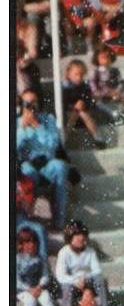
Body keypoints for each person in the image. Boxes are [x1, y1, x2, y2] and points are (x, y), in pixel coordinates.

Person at [16, 90, 71, 231]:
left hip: (47, 163)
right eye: (27, 102)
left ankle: (59, 221)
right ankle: (28, 220)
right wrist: (22, 129)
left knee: (60, 166)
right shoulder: (16, 122)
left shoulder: (48, 119)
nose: (30, 105)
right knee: (26, 171)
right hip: (27, 164)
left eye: (33, 102)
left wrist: (37, 126)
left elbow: (52, 145)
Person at [55, 219, 110, 306]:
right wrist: (75, 280)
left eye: (83, 235)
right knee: (66, 287)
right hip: (72, 283)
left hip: (88, 281)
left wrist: (84, 277)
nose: (81, 238)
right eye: (77, 235)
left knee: (100, 279)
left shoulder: (90, 251)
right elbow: (60, 275)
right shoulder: (64, 253)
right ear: (70, 238)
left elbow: (97, 270)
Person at [16, 227, 59, 306]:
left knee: (46, 298)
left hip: (38, 288)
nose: (31, 245)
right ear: (20, 245)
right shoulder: (17, 260)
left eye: (34, 242)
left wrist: (40, 286)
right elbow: (16, 281)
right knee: (30, 300)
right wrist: (29, 289)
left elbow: (45, 275)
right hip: (22, 290)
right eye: (27, 242)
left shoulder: (40, 258)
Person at [62, 59, 106, 148]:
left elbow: (89, 102)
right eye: (76, 74)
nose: (79, 77)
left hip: (85, 118)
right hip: (70, 117)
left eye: (81, 74)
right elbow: (63, 104)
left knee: (81, 111)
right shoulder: (65, 88)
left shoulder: (85, 87)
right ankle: (63, 138)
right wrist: (74, 107)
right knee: (76, 111)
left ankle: (97, 137)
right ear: (68, 74)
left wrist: (83, 104)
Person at [88, 46, 124, 122]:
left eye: (108, 57)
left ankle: (119, 112)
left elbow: (120, 82)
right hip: (101, 95)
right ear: (97, 59)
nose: (106, 59)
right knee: (96, 99)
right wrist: (107, 93)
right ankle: (111, 112)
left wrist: (117, 91)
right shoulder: (95, 72)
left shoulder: (115, 71)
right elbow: (93, 88)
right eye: (102, 57)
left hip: (114, 94)